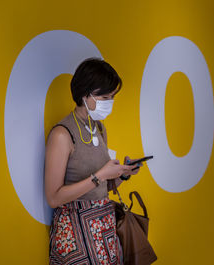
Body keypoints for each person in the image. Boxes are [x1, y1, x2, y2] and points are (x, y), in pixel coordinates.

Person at [45, 57, 141, 264]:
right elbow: (54, 198)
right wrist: (100, 176)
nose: (110, 102)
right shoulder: (62, 134)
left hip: (103, 229)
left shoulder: (99, 128)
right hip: (74, 233)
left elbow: (100, 187)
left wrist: (121, 175)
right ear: (84, 94)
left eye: (112, 97)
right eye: (104, 97)